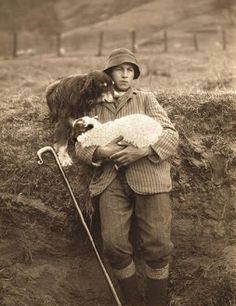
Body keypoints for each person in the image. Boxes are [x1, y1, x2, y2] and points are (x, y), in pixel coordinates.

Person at [75, 48, 179, 306]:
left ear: (135, 75)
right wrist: (102, 151)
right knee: (113, 246)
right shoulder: (93, 106)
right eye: (119, 69)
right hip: (110, 180)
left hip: (149, 176)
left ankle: (157, 302)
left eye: (130, 70)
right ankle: (131, 301)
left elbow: (170, 135)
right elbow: (80, 145)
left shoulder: (145, 99)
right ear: (108, 74)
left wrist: (142, 151)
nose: (125, 75)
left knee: (157, 244)